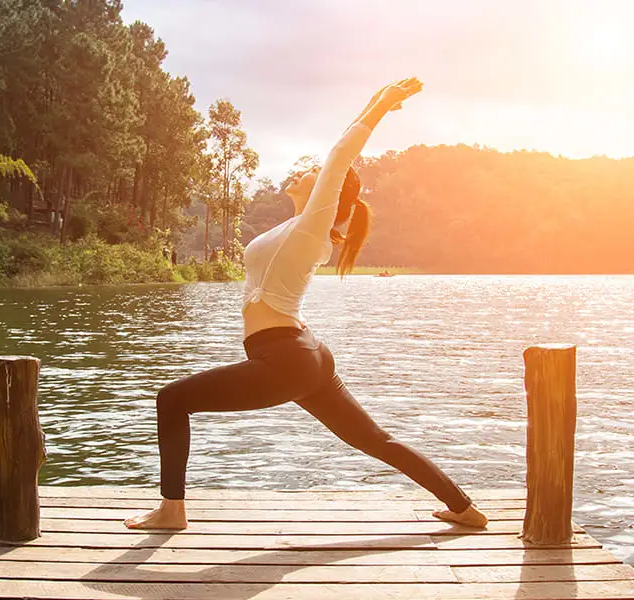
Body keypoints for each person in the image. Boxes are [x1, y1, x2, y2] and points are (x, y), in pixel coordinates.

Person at [124, 78, 488, 530]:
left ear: (330, 194)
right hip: (302, 353)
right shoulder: (298, 229)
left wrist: (381, 103)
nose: (305, 172)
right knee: (374, 439)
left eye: (314, 172)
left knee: (172, 400)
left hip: (287, 357)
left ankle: (171, 511)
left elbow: (341, 152)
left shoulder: (313, 228)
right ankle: (464, 508)